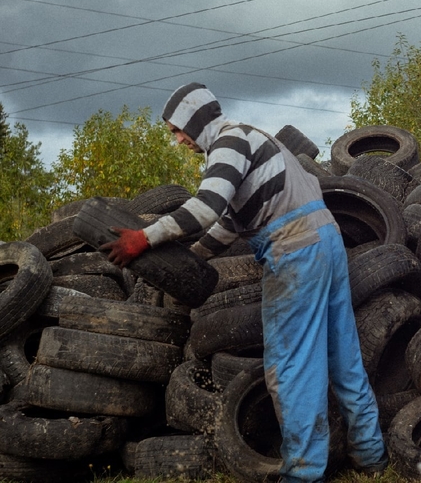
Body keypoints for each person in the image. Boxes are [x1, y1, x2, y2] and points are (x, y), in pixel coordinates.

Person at [100, 82, 387, 483]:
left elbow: (204, 208)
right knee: (343, 357)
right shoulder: (252, 138)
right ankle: (371, 455)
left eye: (176, 130)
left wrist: (144, 238)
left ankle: (304, 474)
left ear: (194, 121)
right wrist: (190, 263)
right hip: (326, 241)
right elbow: (229, 225)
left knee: (292, 366)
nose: (177, 139)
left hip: (295, 250)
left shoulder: (229, 142)